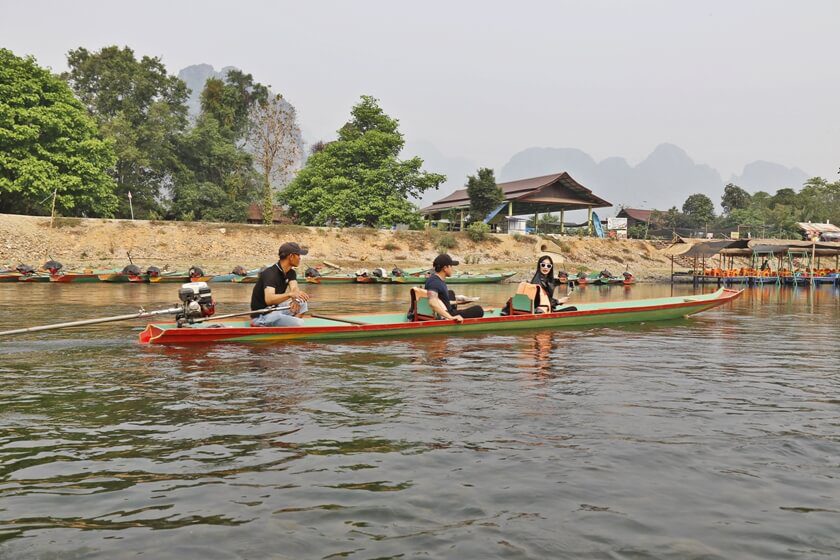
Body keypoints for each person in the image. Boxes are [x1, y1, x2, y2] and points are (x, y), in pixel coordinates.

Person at [250, 242, 311, 327]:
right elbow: (269, 299)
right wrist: (290, 294)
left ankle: (288, 327)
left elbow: (294, 288)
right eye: (298, 255)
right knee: (299, 323)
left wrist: (295, 299)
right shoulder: (270, 274)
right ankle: (263, 323)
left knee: (302, 302)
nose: (300, 258)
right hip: (262, 315)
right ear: (291, 256)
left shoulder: (291, 272)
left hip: (275, 309)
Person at [424, 254, 484, 322]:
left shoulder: (437, 279)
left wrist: (460, 301)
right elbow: (432, 302)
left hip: (447, 310)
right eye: (451, 266)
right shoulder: (434, 282)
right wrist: (451, 317)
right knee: (478, 310)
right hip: (448, 314)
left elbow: (442, 301)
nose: (452, 268)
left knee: (451, 293)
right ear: (445, 268)